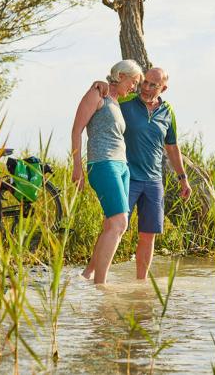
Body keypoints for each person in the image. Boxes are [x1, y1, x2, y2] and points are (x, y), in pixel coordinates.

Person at [92, 67, 192, 280]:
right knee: (113, 226)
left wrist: (183, 178)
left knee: (148, 235)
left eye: (152, 85)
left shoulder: (168, 112)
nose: (145, 87)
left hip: (154, 181)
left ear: (163, 88)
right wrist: (99, 83)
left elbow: (172, 147)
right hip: (127, 174)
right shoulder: (127, 102)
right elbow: (111, 92)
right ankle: (91, 274)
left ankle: (141, 284)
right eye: (144, 82)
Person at [71, 60, 142, 284]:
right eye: (133, 82)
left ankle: (87, 275)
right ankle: (101, 285)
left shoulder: (116, 101)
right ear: (121, 76)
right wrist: (77, 167)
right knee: (120, 223)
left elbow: (145, 98)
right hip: (103, 164)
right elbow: (76, 130)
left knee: (111, 225)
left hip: (122, 166)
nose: (135, 88)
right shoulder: (96, 95)